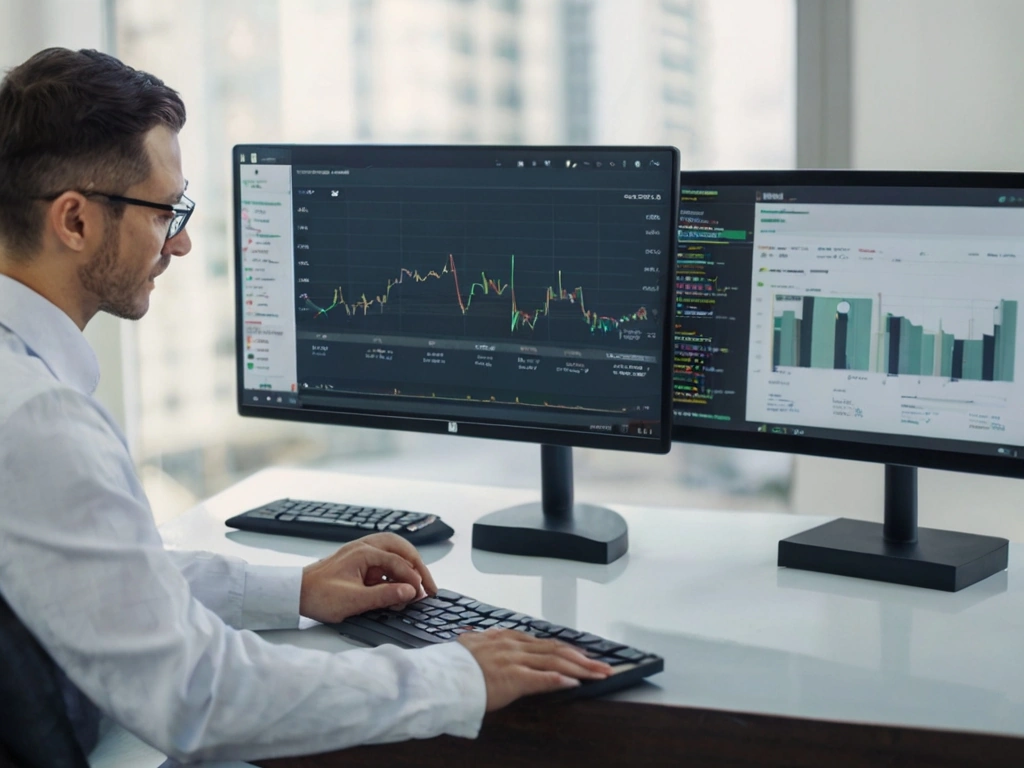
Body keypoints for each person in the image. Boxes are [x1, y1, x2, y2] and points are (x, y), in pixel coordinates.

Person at [0, 47, 611, 764]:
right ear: (73, 221)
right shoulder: (37, 421)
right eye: (167, 212)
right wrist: (455, 673)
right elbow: (198, 696)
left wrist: (296, 588)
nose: (184, 241)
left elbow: (104, 581)